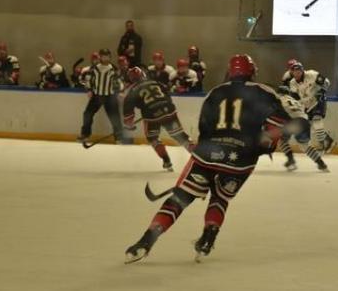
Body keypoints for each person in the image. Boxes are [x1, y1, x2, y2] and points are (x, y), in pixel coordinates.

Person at [124, 54, 291, 263]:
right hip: (240, 160)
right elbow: (280, 125)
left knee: (179, 199)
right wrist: (265, 144)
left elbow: (204, 127)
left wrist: (203, 151)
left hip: (207, 155)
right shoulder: (263, 92)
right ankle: (207, 239)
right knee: (220, 198)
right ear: (252, 71)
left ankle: (145, 242)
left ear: (230, 72)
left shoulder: (215, 92)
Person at [122, 67, 195, 171]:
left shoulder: (132, 91)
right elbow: (167, 95)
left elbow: (128, 111)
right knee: (181, 137)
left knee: (153, 139)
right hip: (169, 111)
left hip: (152, 117)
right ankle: (199, 159)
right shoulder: (156, 82)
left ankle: (167, 162)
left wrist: (130, 125)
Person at [288, 62, 335, 170]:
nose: (297, 72)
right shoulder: (292, 83)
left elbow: (326, 81)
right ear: (292, 72)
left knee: (317, 121)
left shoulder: (312, 74)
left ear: (302, 70)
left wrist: (322, 91)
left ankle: (324, 143)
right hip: (306, 105)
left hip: (318, 102)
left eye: (299, 70)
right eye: (295, 71)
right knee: (311, 130)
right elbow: (296, 99)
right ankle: (328, 140)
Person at [276, 85, 333, 172]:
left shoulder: (278, 99)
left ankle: (291, 161)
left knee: (281, 140)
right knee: (305, 146)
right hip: (304, 121)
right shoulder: (295, 101)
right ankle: (321, 164)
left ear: (279, 93)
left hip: (292, 121)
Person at [77, 48, 123, 144]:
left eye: (107, 56)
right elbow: (88, 80)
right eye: (103, 56)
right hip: (97, 96)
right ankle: (85, 135)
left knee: (115, 117)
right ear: (100, 57)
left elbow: (118, 82)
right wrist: (89, 90)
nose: (105, 58)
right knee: (87, 114)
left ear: (110, 57)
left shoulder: (113, 68)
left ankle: (119, 137)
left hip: (110, 96)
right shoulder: (94, 68)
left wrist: (119, 92)